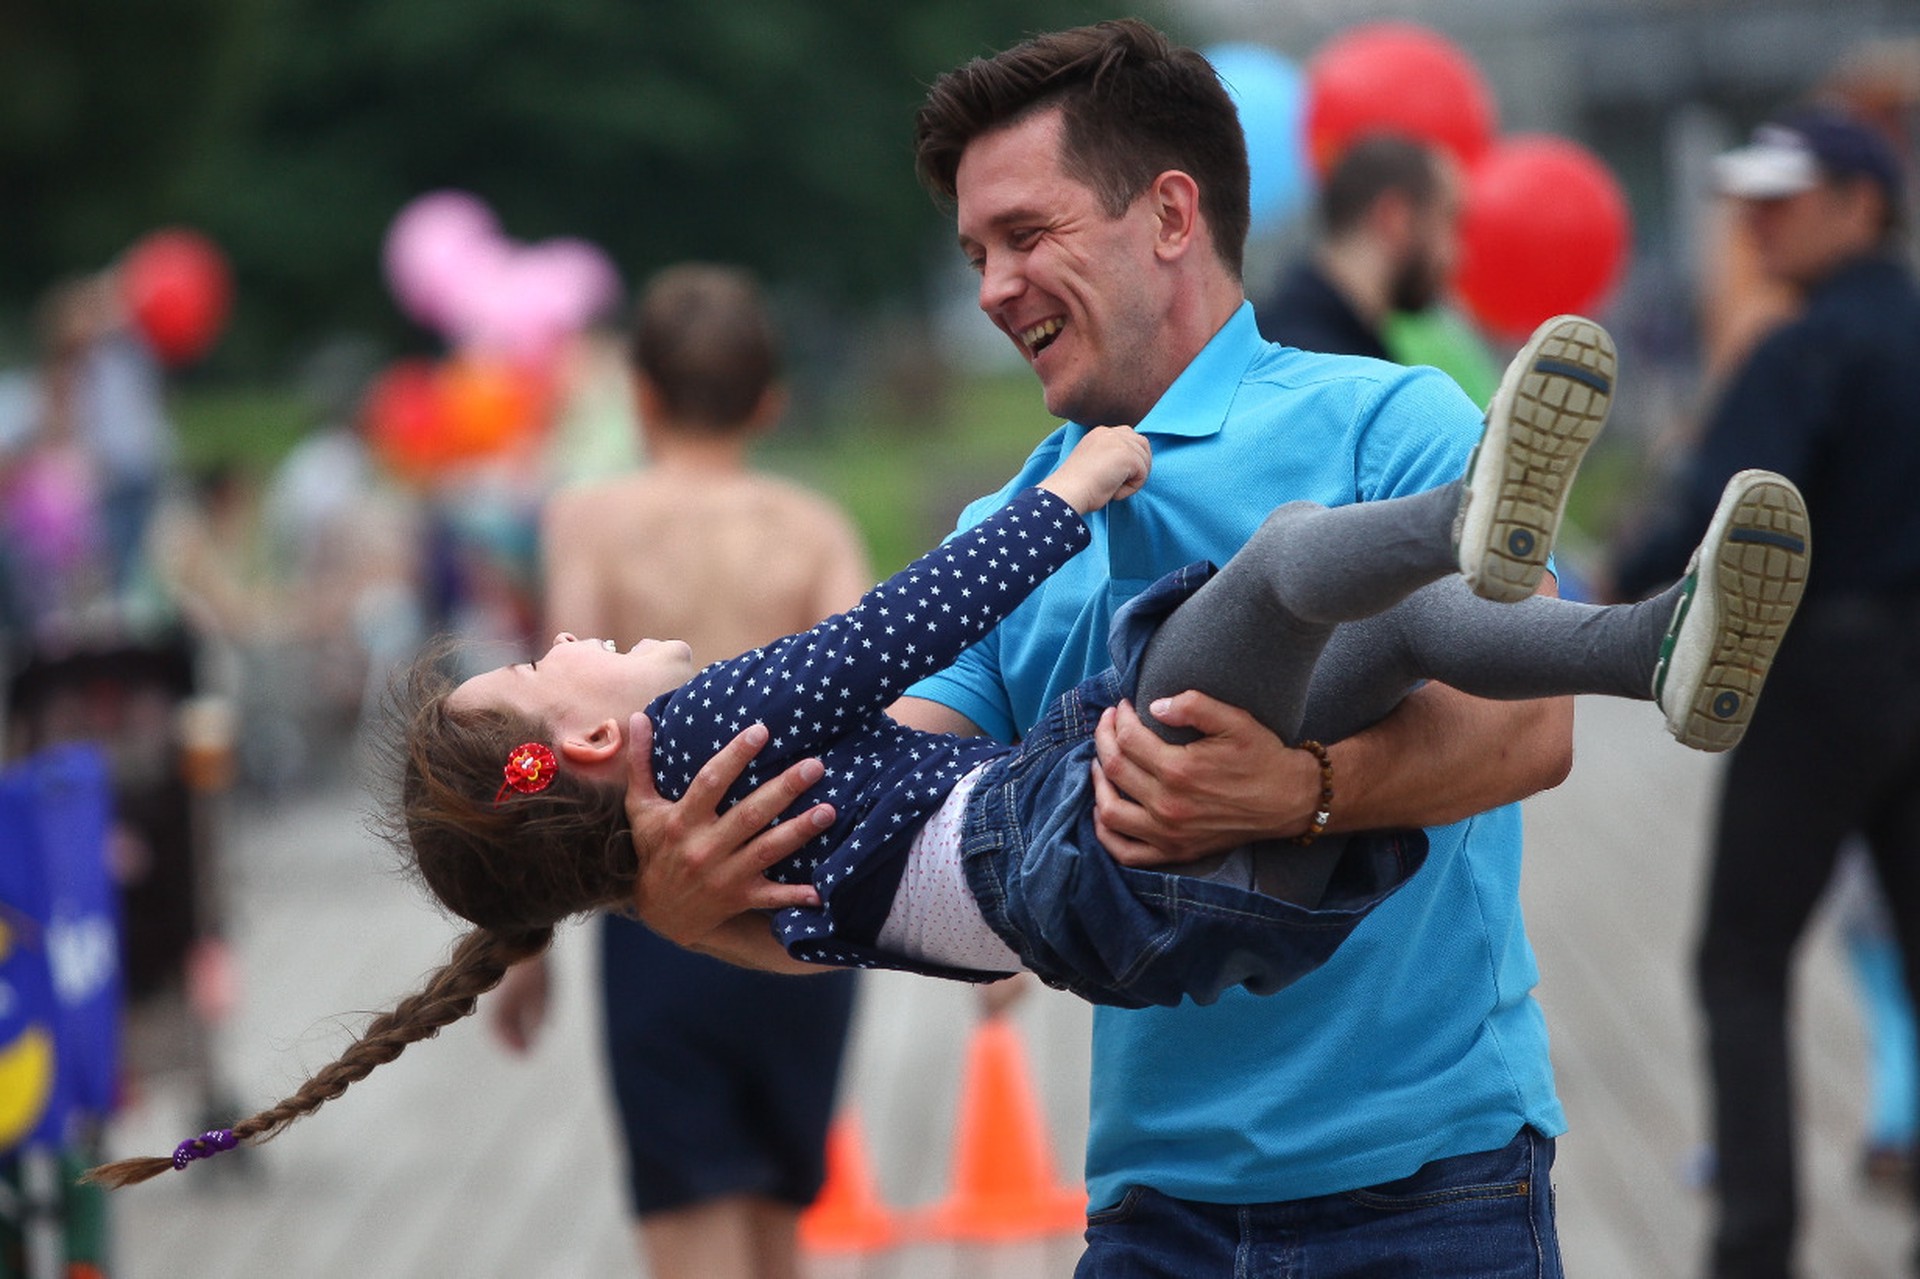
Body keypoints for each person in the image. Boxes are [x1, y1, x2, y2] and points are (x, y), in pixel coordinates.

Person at [84, 316, 1815, 1189]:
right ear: (597, 733)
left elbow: (892, 860)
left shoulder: (691, 857)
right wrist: (1061, 497)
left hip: (1135, 907)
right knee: (1296, 559)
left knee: (1386, 638)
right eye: (551, 660)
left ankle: (1647, 645)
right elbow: (883, 637)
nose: (569, 634)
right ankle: (1472, 503)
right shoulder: (695, 744)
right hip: (1082, 828)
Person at [609, 21, 1605, 1276]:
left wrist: (1304, 793)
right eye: (976, 252)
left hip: (1434, 1181)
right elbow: (877, 825)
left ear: (1171, 216)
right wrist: (693, 908)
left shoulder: (1388, 417)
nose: (990, 287)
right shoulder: (1007, 533)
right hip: (1155, 1210)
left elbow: (1535, 726)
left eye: (1028, 236)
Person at [491, 264, 864, 1279]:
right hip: (798, 891)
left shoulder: (588, 521)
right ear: (771, 400)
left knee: (686, 1214)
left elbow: (552, 742)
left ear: (639, 394)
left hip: (658, 903)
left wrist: (521, 942)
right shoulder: (814, 528)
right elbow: (882, 708)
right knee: (783, 1214)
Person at [1605, 105, 1920, 1279]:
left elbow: (1711, 516)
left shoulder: (1801, 350)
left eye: (1782, 200)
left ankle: (1755, 1248)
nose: (1755, 221)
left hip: (1822, 680)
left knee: (1739, 962)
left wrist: (1602, 589)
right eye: (1749, 200)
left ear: (1862, 204)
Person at [1255, 133, 1462, 360]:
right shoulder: (1329, 367)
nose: (1458, 255)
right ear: (1394, 218)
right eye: (1449, 221)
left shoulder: (1273, 336)